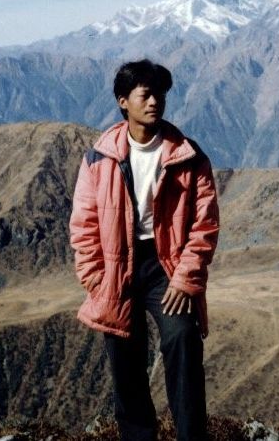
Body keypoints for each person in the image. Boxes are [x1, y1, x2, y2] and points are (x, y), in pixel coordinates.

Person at [69, 59, 219, 441]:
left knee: (182, 338)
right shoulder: (99, 159)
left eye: (161, 94)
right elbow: (84, 226)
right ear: (124, 101)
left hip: (166, 266)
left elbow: (205, 224)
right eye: (146, 94)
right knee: (125, 360)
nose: (155, 102)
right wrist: (96, 279)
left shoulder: (188, 156)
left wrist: (185, 280)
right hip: (117, 268)